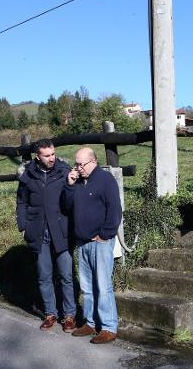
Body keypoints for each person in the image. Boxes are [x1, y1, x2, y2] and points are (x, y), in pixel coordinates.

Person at [16, 139, 76, 332]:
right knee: (44, 276)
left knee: (66, 275)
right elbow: (21, 202)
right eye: (47, 155)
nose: (51, 158)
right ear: (37, 157)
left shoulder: (63, 171)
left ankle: (69, 316)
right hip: (38, 231)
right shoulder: (28, 175)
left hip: (61, 231)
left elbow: (73, 198)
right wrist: (23, 225)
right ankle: (51, 314)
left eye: (53, 154)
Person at [64, 147, 122, 344]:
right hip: (82, 242)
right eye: (76, 164)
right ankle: (90, 322)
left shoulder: (105, 180)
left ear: (93, 161)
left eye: (82, 164)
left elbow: (115, 210)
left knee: (103, 286)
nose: (78, 168)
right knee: (87, 287)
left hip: (100, 242)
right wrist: (70, 185)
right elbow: (67, 206)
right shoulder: (78, 181)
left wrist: (105, 234)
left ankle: (108, 327)